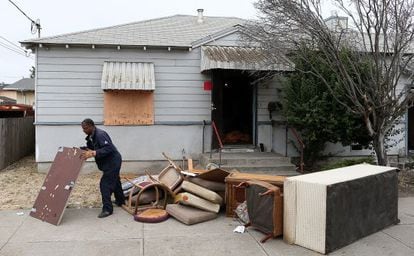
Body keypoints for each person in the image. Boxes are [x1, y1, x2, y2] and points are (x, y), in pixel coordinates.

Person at [80, 118, 125, 218]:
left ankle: (107, 209)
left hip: (113, 162)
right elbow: (95, 148)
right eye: (83, 129)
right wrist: (84, 150)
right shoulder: (91, 136)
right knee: (115, 181)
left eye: (85, 128)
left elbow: (109, 148)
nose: (84, 131)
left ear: (92, 126)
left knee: (105, 184)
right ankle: (121, 201)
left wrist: (93, 153)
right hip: (107, 163)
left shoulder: (100, 134)